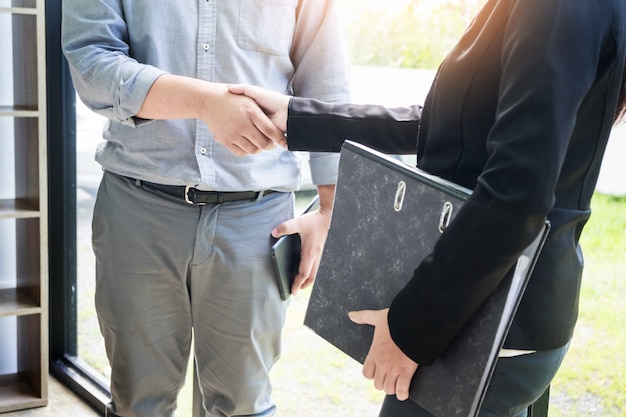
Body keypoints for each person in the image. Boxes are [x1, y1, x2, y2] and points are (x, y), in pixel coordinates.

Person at [229, 0, 626, 415]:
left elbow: (517, 193)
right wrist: (298, 118)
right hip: (496, 309)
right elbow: (455, 126)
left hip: (488, 319)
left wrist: (410, 330)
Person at [61, 1, 350, 416]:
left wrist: (329, 208)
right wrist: (205, 101)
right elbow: (92, 62)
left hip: (259, 220)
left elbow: (326, 84)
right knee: (136, 403)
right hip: (137, 210)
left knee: (243, 405)